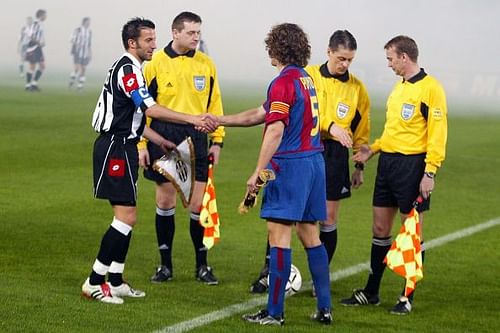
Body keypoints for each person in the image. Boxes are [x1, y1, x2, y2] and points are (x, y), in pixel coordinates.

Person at [82, 17, 216, 304]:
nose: (154, 45)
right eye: (148, 40)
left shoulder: (136, 69)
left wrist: (158, 140)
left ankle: (115, 280)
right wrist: (192, 118)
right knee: (126, 217)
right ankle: (94, 281)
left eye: (155, 39)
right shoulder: (129, 69)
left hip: (125, 145)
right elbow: (151, 107)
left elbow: (135, 119)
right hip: (115, 148)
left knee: (128, 217)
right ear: (133, 43)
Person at [217, 22, 332, 326]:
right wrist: (219, 120)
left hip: (291, 166)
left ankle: (274, 313)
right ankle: (325, 308)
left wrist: (257, 171)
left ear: (275, 48)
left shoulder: (282, 82)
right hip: (314, 164)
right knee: (310, 235)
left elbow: (275, 129)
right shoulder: (305, 79)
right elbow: (261, 113)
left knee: (279, 236)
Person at [249, 30, 371, 295]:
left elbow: (361, 130)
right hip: (301, 149)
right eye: (341, 58)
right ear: (328, 52)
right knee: (282, 218)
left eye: (350, 60)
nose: (345, 64)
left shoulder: (357, 89)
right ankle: (267, 274)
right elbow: (304, 113)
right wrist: (330, 125)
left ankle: (319, 282)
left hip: (334, 156)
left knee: (325, 220)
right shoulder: (308, 76)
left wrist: (359, 165)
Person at [340, 35, 448, 315]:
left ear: (404, 57)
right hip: (388, 165)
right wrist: (372, 150)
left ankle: (406, 296)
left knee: (412, 233)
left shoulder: (431, 88)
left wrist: (430, 172)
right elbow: (392, 134)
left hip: (413, 168)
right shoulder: (398, 88)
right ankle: (371, 291)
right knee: (379, 230)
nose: (388, 65)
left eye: (390, 59)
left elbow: (438, 135)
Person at [138, 11, 225, 285]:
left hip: (198, 137)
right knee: (165, 202)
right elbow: (141, 109)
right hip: (164, 136)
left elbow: (215, 105)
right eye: (191, 32)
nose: (196, 37)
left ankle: (202, 265)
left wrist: (218, 141)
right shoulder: (155, 64)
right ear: (175, 33)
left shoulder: (206, 64)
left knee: (198, 205)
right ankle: (166, 266)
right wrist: (142, 143)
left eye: (198, 32)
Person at [25, 9, 47, 91]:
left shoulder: (40, 24)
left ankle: (33, 84)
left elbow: (39, 35)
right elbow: (30, 35)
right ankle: (28, 86)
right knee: (33, 66)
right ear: (41, 15)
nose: (46, 16)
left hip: (38, 47)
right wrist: (38, 43)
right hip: (33, 47)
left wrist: (42, 42)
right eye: (45, 15)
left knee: (42, 66)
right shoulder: (35, 24)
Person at [69, 17, 92, 91]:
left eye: (89, 22)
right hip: (77, 52)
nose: (89, 23)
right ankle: (72, 80)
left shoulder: (89, 32)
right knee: (77, 68)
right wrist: (78, 44)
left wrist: (90, 53)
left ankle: (80, 86)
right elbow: (72, 39)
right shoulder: (78, 30)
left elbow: (89, 44)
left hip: (85, 53)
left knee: (83, 69)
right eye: (87, 22)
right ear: (84, 22)